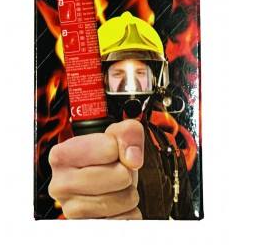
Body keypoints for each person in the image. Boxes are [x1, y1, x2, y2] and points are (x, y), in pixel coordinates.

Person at [49, 12, 195, 219]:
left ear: (157, 80)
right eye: (118, 74)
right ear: (100, 81)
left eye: (140, 74)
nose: (130, 86)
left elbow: (186, 217)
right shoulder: (84, 143)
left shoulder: (167, 145)